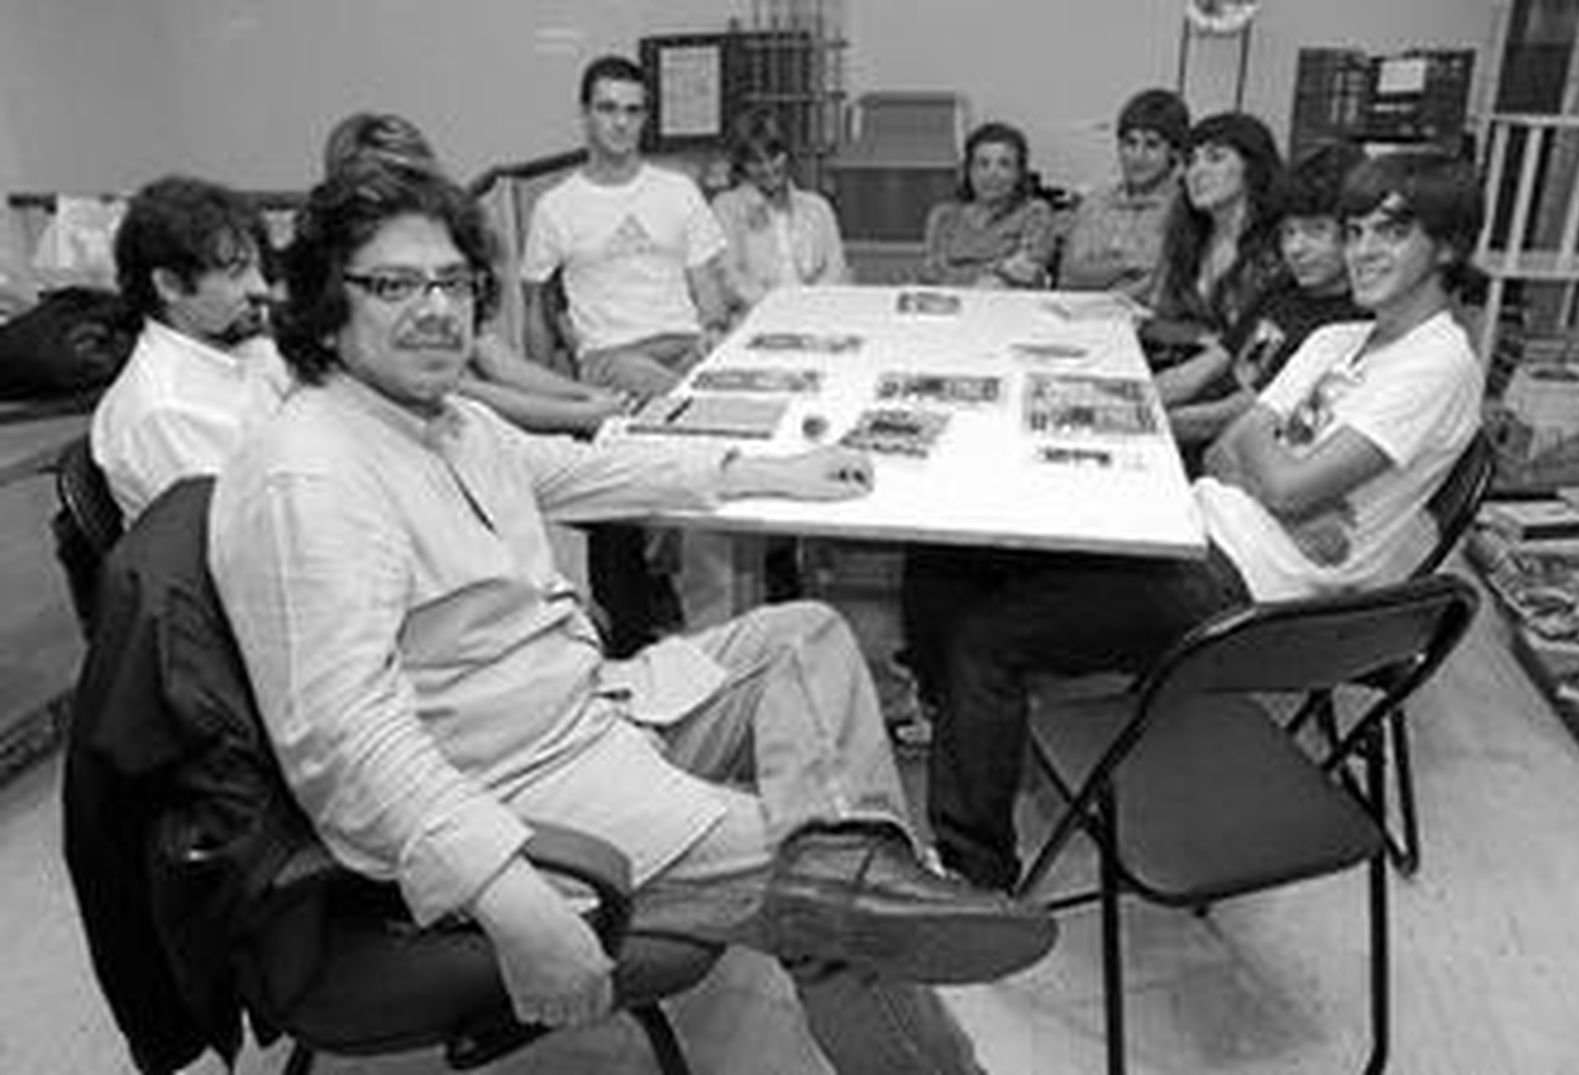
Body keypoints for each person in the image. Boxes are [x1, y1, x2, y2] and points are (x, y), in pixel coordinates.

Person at [208, 160, 1055, 1074]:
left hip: (590, 709)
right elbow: (342, 741)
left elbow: (589, 472)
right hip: (515, 789)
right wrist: (504, 888)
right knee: (829, 909)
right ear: (325, 304)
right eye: (394, 284)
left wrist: (762, 473)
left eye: (452, 282)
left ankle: (856, 854)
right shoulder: (314, 474)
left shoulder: (443, 420)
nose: (437, 308)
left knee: (800, 634)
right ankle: (856, 896)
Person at [908, 151, 1487, 892]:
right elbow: (1225, 449)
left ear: (1447, 245)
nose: (1362, 251)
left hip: (1242, 594)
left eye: (1392, 232)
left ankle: (973, 872)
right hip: (1196, 521)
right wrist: (1275, 476)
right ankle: (981, 739)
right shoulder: (1335, 341)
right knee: (947, 553)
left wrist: (1274, 470)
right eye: (1356, 231)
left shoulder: (1437, 364)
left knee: (984, 637)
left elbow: (1276, 470)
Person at [323, 110, 629, 436]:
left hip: (484, 436)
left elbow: (500, 363)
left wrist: (584, 395)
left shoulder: (441, 248)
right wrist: (580, 416)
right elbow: (461, 392)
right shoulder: (346, 279)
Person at [520, 55, 729, 399]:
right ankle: (699, 407)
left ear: (645, 118)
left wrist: (715, 330)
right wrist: (545, 401)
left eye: (633, 111)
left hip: (686, 345)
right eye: (608, 109)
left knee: (743, 370)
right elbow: (535, 314)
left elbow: (706, 285)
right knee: (659, 385)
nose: (621, 123)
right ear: (585, 114)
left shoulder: (679, 190)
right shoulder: (555, 207)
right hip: (611, 359)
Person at [90, 175, 291, 523]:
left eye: (257, 268)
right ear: (169, 285)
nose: (260, 288)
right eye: (236, 272)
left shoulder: (244, 347)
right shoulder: (163, 410)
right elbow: (245, 540)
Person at [1158, 141, 1371, 460]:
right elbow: (1207, 366)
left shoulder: (1344, 327)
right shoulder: (1282, 289)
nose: (1297, 248)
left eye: (1316, 231)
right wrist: (1136, 398)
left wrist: (1149, 424)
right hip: (1190, 426)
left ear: (1354, 235)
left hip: (1226, 446)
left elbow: (1238, 411)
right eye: (1289, 232)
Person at [1141, 111, 1288, 369]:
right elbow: (1155, 319)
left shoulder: (1278, 246)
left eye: (1215, 158)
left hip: (1237, 387)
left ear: (1253, 167)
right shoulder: (1186, 233)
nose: (1198, 172)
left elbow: (1259, 352)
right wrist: (1199, 336)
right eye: (1191, 161)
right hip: (1175, 368)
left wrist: (1200, 338)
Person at [711, 108, 849, 318]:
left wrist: (811, 304)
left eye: (774, 156)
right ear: (742, 166)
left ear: (787, 155)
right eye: (756, 161)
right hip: (757, 318)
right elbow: (729, 277)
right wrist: (777, 307)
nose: (767, 168)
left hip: (818, 314)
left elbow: (836, 269)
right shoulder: (726, 207)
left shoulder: (818, 207)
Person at [1055, 87, 1189, 298]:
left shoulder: (1185, 207)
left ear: (1174, 151)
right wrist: (1128, 263)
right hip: (1084, 315)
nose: (1138, 156)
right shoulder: (1096, 201)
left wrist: (1102, 277)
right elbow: (1069, 278)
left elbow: (1163, 286)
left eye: (1152, 145)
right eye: (1130, 143)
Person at [916, 121, 1055, 289]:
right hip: (950, 307)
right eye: (983, 164)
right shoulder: (943, 216)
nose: (992, 174)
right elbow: (931, 275)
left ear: (1019, 173)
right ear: (968, 171)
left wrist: (961, 274)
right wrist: (999, 269)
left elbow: (1027, 273)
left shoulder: (1035, 212)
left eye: (1004, 164)